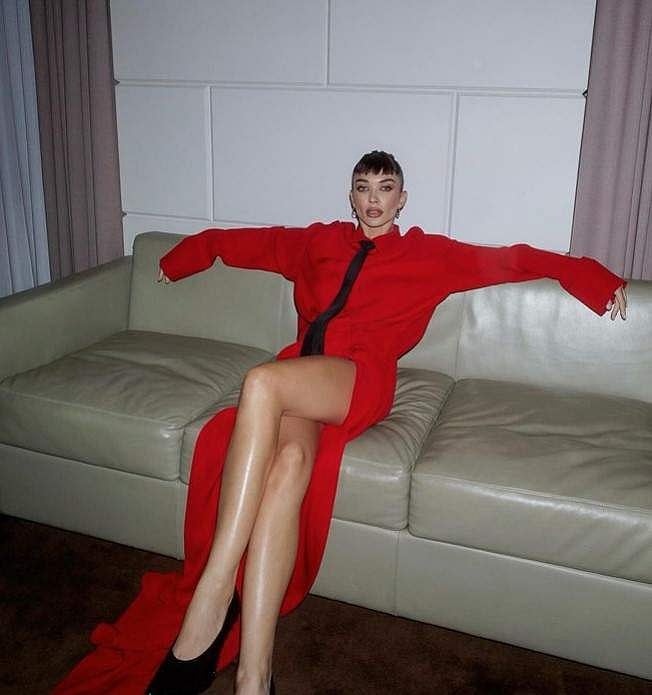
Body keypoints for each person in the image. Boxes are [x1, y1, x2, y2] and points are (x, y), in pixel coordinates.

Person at [54, 151, 628, 695]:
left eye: (385, 189)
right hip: (303, 376)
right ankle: (255, 673)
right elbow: (242, 243)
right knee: (288, 464)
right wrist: (180, 259)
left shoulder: (430, 256)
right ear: (351, 196)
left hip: (360, 378)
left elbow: (515, 259)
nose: (374, 199)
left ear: (402, 199)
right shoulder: (318, 243)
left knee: (260, 382)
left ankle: (214, 588)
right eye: (363, 188)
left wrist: (594, 280)